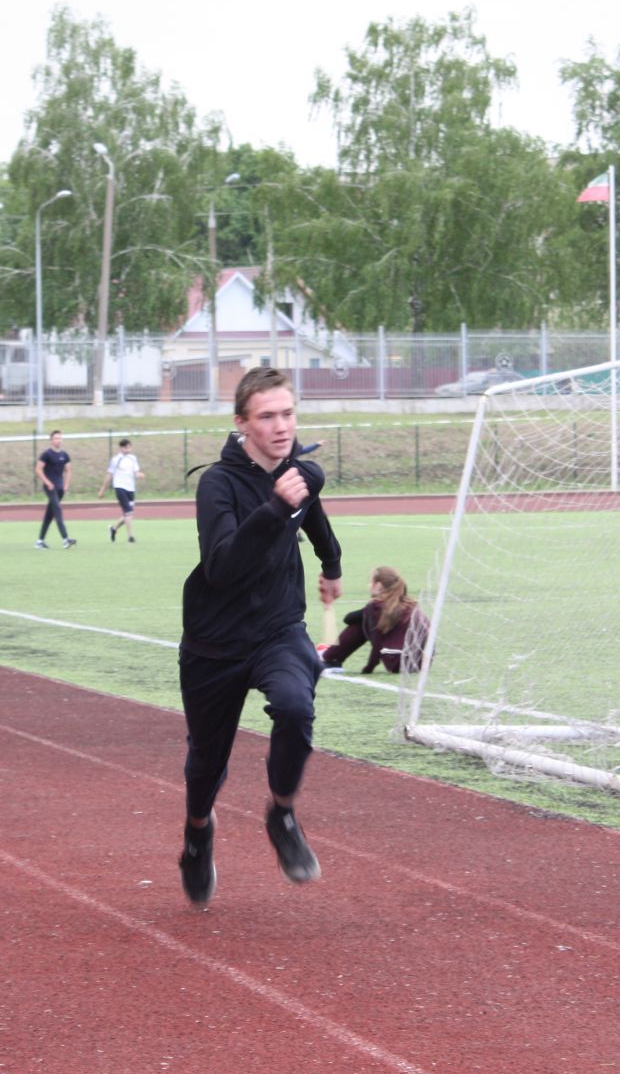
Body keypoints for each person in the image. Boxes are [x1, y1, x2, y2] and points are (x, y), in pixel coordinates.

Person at [176, 367, 342, 906]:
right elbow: (222, 566)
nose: (280, 426)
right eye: (267, 416)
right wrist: (274, 507)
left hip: (277, 628)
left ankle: (282, 813)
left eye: (287, 413)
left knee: (296, 706)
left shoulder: (303, 475)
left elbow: (313, 516)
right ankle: (198, 833)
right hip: (214, 641)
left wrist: (332, 566)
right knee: (206, 762)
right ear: (242, 423)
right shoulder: (217, 484)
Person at [318, 566, 425, 674]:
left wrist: (368, 668)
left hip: (398, 663)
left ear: (378, 586)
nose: (369, 585)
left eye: (371, 582)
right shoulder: (411, 604)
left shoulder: (376, 606)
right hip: (419, 663)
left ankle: (330, 659)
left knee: (361, 622)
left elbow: (376, 641)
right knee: (365, 618)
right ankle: (330, 655)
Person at [35, 430, 75, 549]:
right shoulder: (46, 454)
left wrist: (66, 485)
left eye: (60, 438)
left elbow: (68, 471)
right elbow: (38, 469)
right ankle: (65, 539)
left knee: (49, 515)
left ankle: (39, 541)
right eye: (56, 438)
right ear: (51, 440)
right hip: (50, 488)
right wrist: (47, 482)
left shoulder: (65, 455)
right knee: (58, 511)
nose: (58, 440)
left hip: (60, 488)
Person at [99, 438, 143, 543]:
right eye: (125, 447)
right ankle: (130, 537)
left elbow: (136, 472)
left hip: (131, 488)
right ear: (120, 448)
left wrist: (139, 475)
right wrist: (102, 490)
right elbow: (109, 475)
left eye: (129, 447)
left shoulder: (133, 458)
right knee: (128, 512)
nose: (127, 450)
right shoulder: (116, 459)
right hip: (119, 487)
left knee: (129, 513)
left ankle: (113, 528)